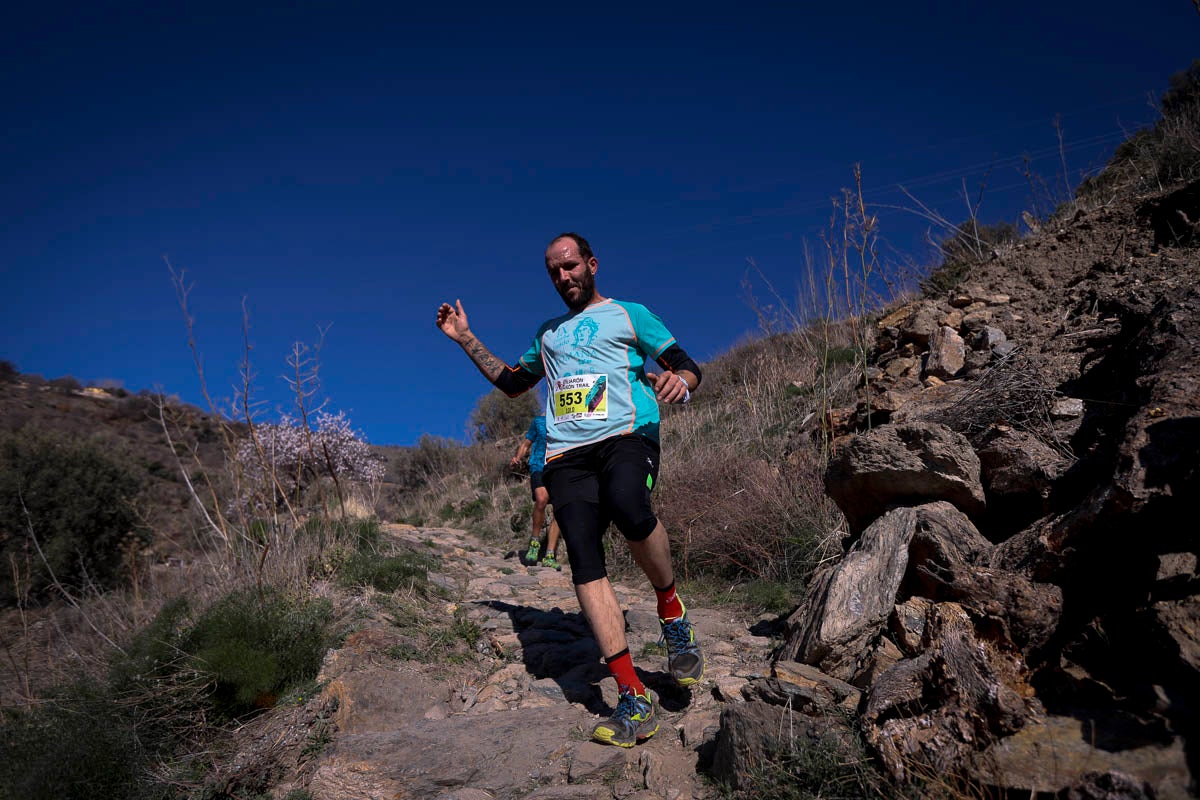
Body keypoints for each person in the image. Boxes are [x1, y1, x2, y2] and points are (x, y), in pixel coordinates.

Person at [436, 232, 704, 748]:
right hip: (565, 454)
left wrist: (683, 383)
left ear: (592, 264)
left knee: (630, 507)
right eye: (554, 271)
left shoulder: (630, 315)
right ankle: (633, 697)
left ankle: (671, 613)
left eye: (571, 266)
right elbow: (514, 382)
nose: (563, 277)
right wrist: (466, 338)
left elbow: (687, 365)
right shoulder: (548, 335)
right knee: (582, 553)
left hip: (627, 436)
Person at [509, 414, 562, 569]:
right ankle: (534, 542)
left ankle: (549, 555)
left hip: (559, 467)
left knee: (559, 508)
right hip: (538, 465)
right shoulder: (538, 421)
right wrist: (517, 457)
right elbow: (526, 443)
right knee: (541, 499)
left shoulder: (566, 418)